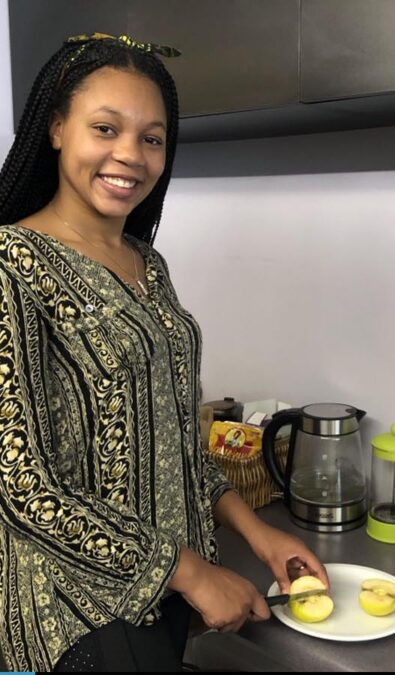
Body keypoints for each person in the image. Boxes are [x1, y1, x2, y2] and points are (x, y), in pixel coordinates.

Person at [0, 33, 330, 672]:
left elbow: (173, 441)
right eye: (106, 127)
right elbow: (20, 486)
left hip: (171, 592)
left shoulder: (147, 265)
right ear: (57, 128)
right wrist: (190, 573)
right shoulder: (10, 265)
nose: (130, 154)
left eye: (152, 138)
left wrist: (257, 534)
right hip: (72, 615)